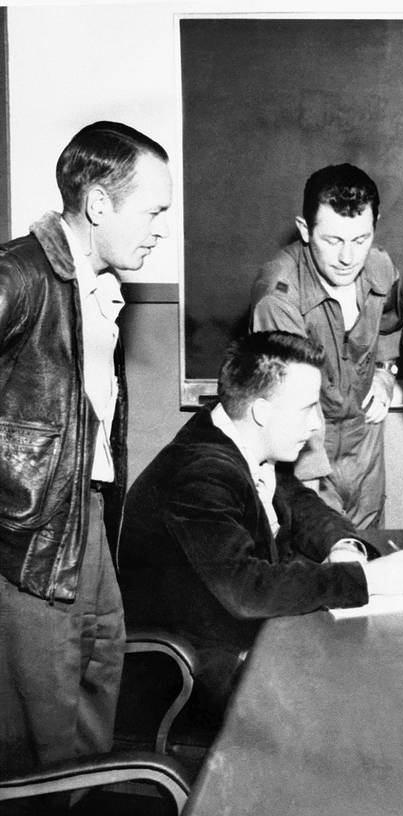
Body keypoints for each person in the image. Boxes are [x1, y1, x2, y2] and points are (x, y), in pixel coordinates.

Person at [118, 331, 403, 718]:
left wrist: (344, 547)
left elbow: (301, 505)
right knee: (377, 695)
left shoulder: (238, 437)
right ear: (263, 412)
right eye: (307, 409)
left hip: (246, 642)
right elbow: (247, 588)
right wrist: (366, 580)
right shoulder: (199, 474)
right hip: (193, 674)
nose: (316, 425)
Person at [0, 121, 172, 780]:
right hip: (32, 535)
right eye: (152, 211)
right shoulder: (21, 273)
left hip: (86, 517)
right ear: (99, 205)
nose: (161, 228)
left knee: (95, 688)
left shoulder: (91, 283)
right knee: (44, 745)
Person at [251, 163, 403, 529]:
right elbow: (291, 405)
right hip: (305, 447)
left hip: (364, 440)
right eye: (333, 241)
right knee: (320, 559)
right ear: (305, 230)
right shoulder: (278, 297)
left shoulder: (380, 266)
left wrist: (385, 372)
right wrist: (309, 496)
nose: (348, 258)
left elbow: (391, 325)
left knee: (373, 556)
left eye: (360, 239)